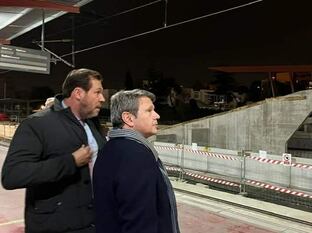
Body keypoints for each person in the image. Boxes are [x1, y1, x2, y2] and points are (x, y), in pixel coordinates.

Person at [1, 68, 107, 233]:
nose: (102, 98)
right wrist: (70, 162)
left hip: (94, 223)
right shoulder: (37, 124)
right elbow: (13, 175)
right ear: (78, 93)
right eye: (97, 92)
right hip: (55, 227)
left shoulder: (92, 124)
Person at [93, 89, 180, 233]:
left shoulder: (111, 148)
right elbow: (140, 221)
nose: (157, 115)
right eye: (149, 110)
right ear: (129, 118)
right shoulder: (135, 155)